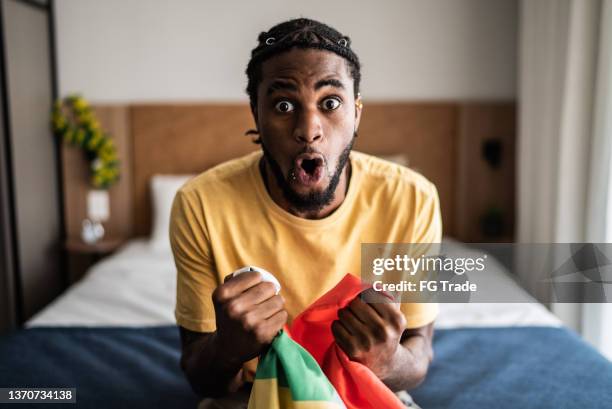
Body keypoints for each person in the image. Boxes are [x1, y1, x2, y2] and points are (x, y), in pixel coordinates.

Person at [170, 18, 442, 408]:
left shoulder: (413, 199)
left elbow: (420, 352)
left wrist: (389, 359)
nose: (309, 128)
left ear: (356, 114)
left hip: (361, 387)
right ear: (256, 116)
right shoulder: (200, 203)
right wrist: (229, 349)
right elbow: (200, 374)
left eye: (330, 103)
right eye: (283, 105)